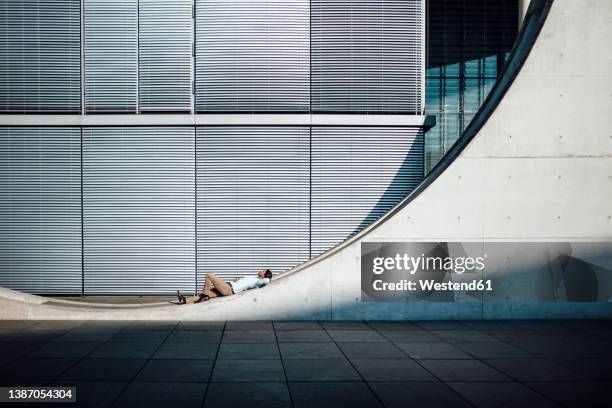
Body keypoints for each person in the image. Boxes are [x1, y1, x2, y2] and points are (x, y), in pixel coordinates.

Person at [176, 269, 272, 304]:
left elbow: (267, 281)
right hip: (229, 286)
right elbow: (244, 282)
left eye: (263, 271)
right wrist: (238, 279)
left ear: (264, 275)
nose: (261, 270)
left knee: (209, 275)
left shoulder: (258, 282)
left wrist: (269, 277)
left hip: (229, 289)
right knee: (208, 294)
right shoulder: (254, 278)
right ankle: (185, 300)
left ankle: (205, 295)